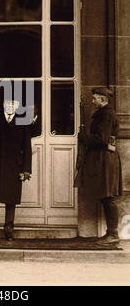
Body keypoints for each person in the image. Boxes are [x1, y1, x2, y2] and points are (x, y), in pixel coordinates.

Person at [0, 99, 35, 242]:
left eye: (13, 105)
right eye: (7, 105)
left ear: (17, 107)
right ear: (3, 106)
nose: (10, 107)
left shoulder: (23, 121)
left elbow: (27, 148)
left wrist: (26, 170)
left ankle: (9, 231)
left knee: (11, 200)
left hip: (14, 167)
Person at [74, 87, 123, 245]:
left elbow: (101, 139)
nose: (93, 101)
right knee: (105, 195)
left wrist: (84, 137)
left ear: (102, 99)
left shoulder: (107, 115)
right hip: (103, 159)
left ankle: (113, 233)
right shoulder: (104, 114)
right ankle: (111, 233)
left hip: (105, 160)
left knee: (108, 196)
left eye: (95, 98)